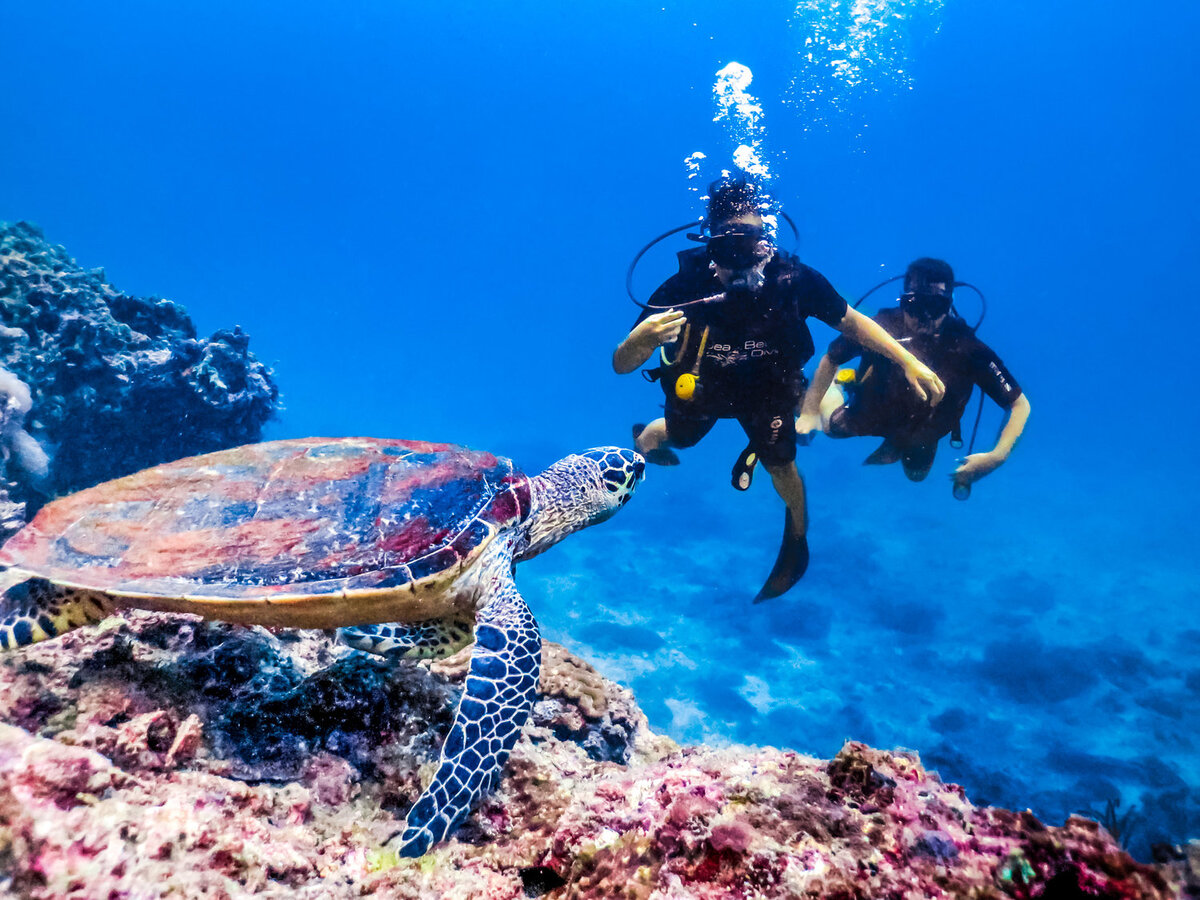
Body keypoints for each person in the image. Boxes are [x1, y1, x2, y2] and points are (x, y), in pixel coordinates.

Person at [613, 178, 945, 599]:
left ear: (765, 242)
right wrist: (637, 342)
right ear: (708, 246)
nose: (738, 264)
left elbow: (850, 321)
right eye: (725, 250)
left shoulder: (793, 280)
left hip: (768, 390)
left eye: (748, 248)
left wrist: (908, 360)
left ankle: (797, 538)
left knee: (782, 464)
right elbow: (622, 366)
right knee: (679, 438)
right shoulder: (684, 287)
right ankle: (644, 439)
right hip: (702, 386)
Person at [796, 257, 1030, 492]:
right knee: (829, 428)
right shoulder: (882, 327)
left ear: (949, 306)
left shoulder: (967, 348)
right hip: (872, 411)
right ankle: (839, 385)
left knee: (916, 475)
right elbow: (831, 357)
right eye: (915, 305)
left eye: (935, 306)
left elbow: (1019, 405)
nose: (923, 318)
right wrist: (808, 412)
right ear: (903, 300)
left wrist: (997, 457)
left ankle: (901, 440)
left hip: (923, 427)